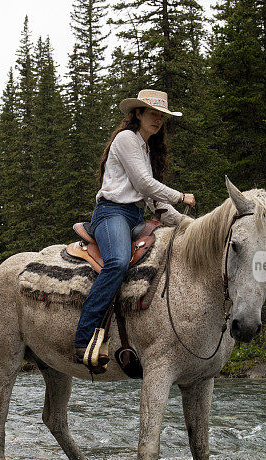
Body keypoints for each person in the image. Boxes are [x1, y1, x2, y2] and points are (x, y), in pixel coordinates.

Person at [75, 89, 196, 371]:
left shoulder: (145, 147)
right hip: (111, 213)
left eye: (162, 116)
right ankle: (83, 338)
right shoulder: (126, 138)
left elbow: (154, 201)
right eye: (153, 113)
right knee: (117, 262)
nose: (158, 120)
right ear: (138, 113)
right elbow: (144, 184)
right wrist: (181, 196)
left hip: (134, 216)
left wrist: (187, 225)